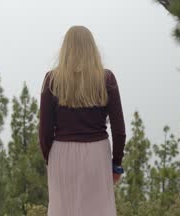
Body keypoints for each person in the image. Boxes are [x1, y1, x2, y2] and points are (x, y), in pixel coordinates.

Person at [38, 25, 126, 216]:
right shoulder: (106, 78)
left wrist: (50, 158)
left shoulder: (52, 80)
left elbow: (44, 130)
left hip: (61, 153)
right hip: (97, 154)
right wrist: (116, 164)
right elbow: (119, 130)